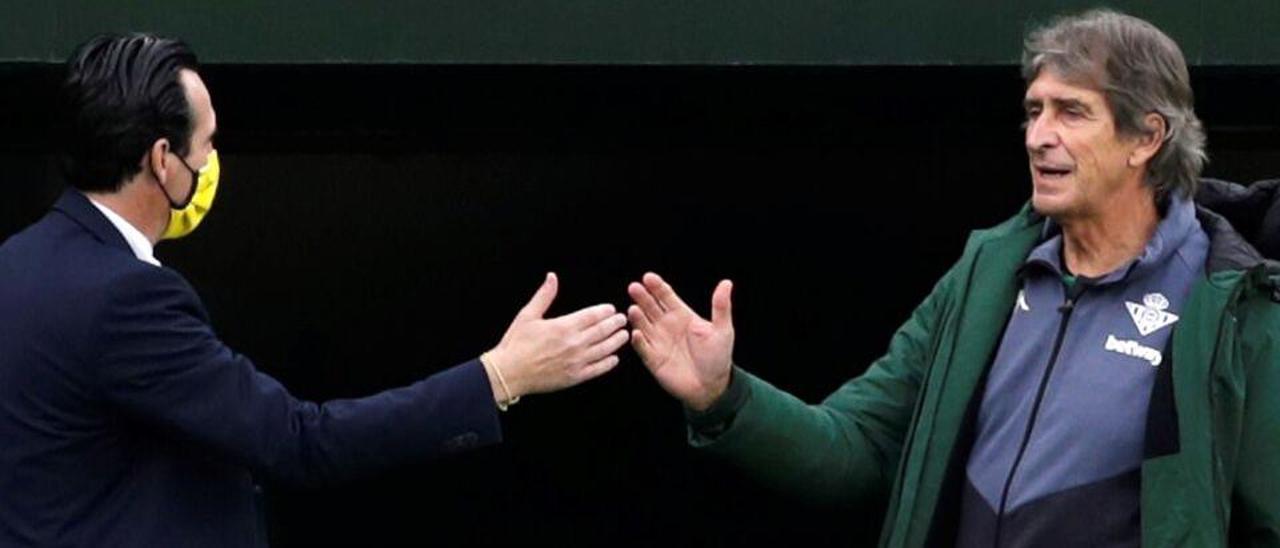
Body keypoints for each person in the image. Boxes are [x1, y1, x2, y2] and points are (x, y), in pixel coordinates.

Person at [628, 9, 1280, 547]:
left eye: (1072, 113)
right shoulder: (985, 277)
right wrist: (724, 398)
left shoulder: (1231, 307)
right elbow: (858, 446)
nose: (1037, 137)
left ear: (1146, 139)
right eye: (1034, 110)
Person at [0, 33, 629, 546]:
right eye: (209, 143)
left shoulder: (16, 264)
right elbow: (300, 442)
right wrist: (499, 376)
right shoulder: (126, 297)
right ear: (163, 160)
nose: (214, 159)